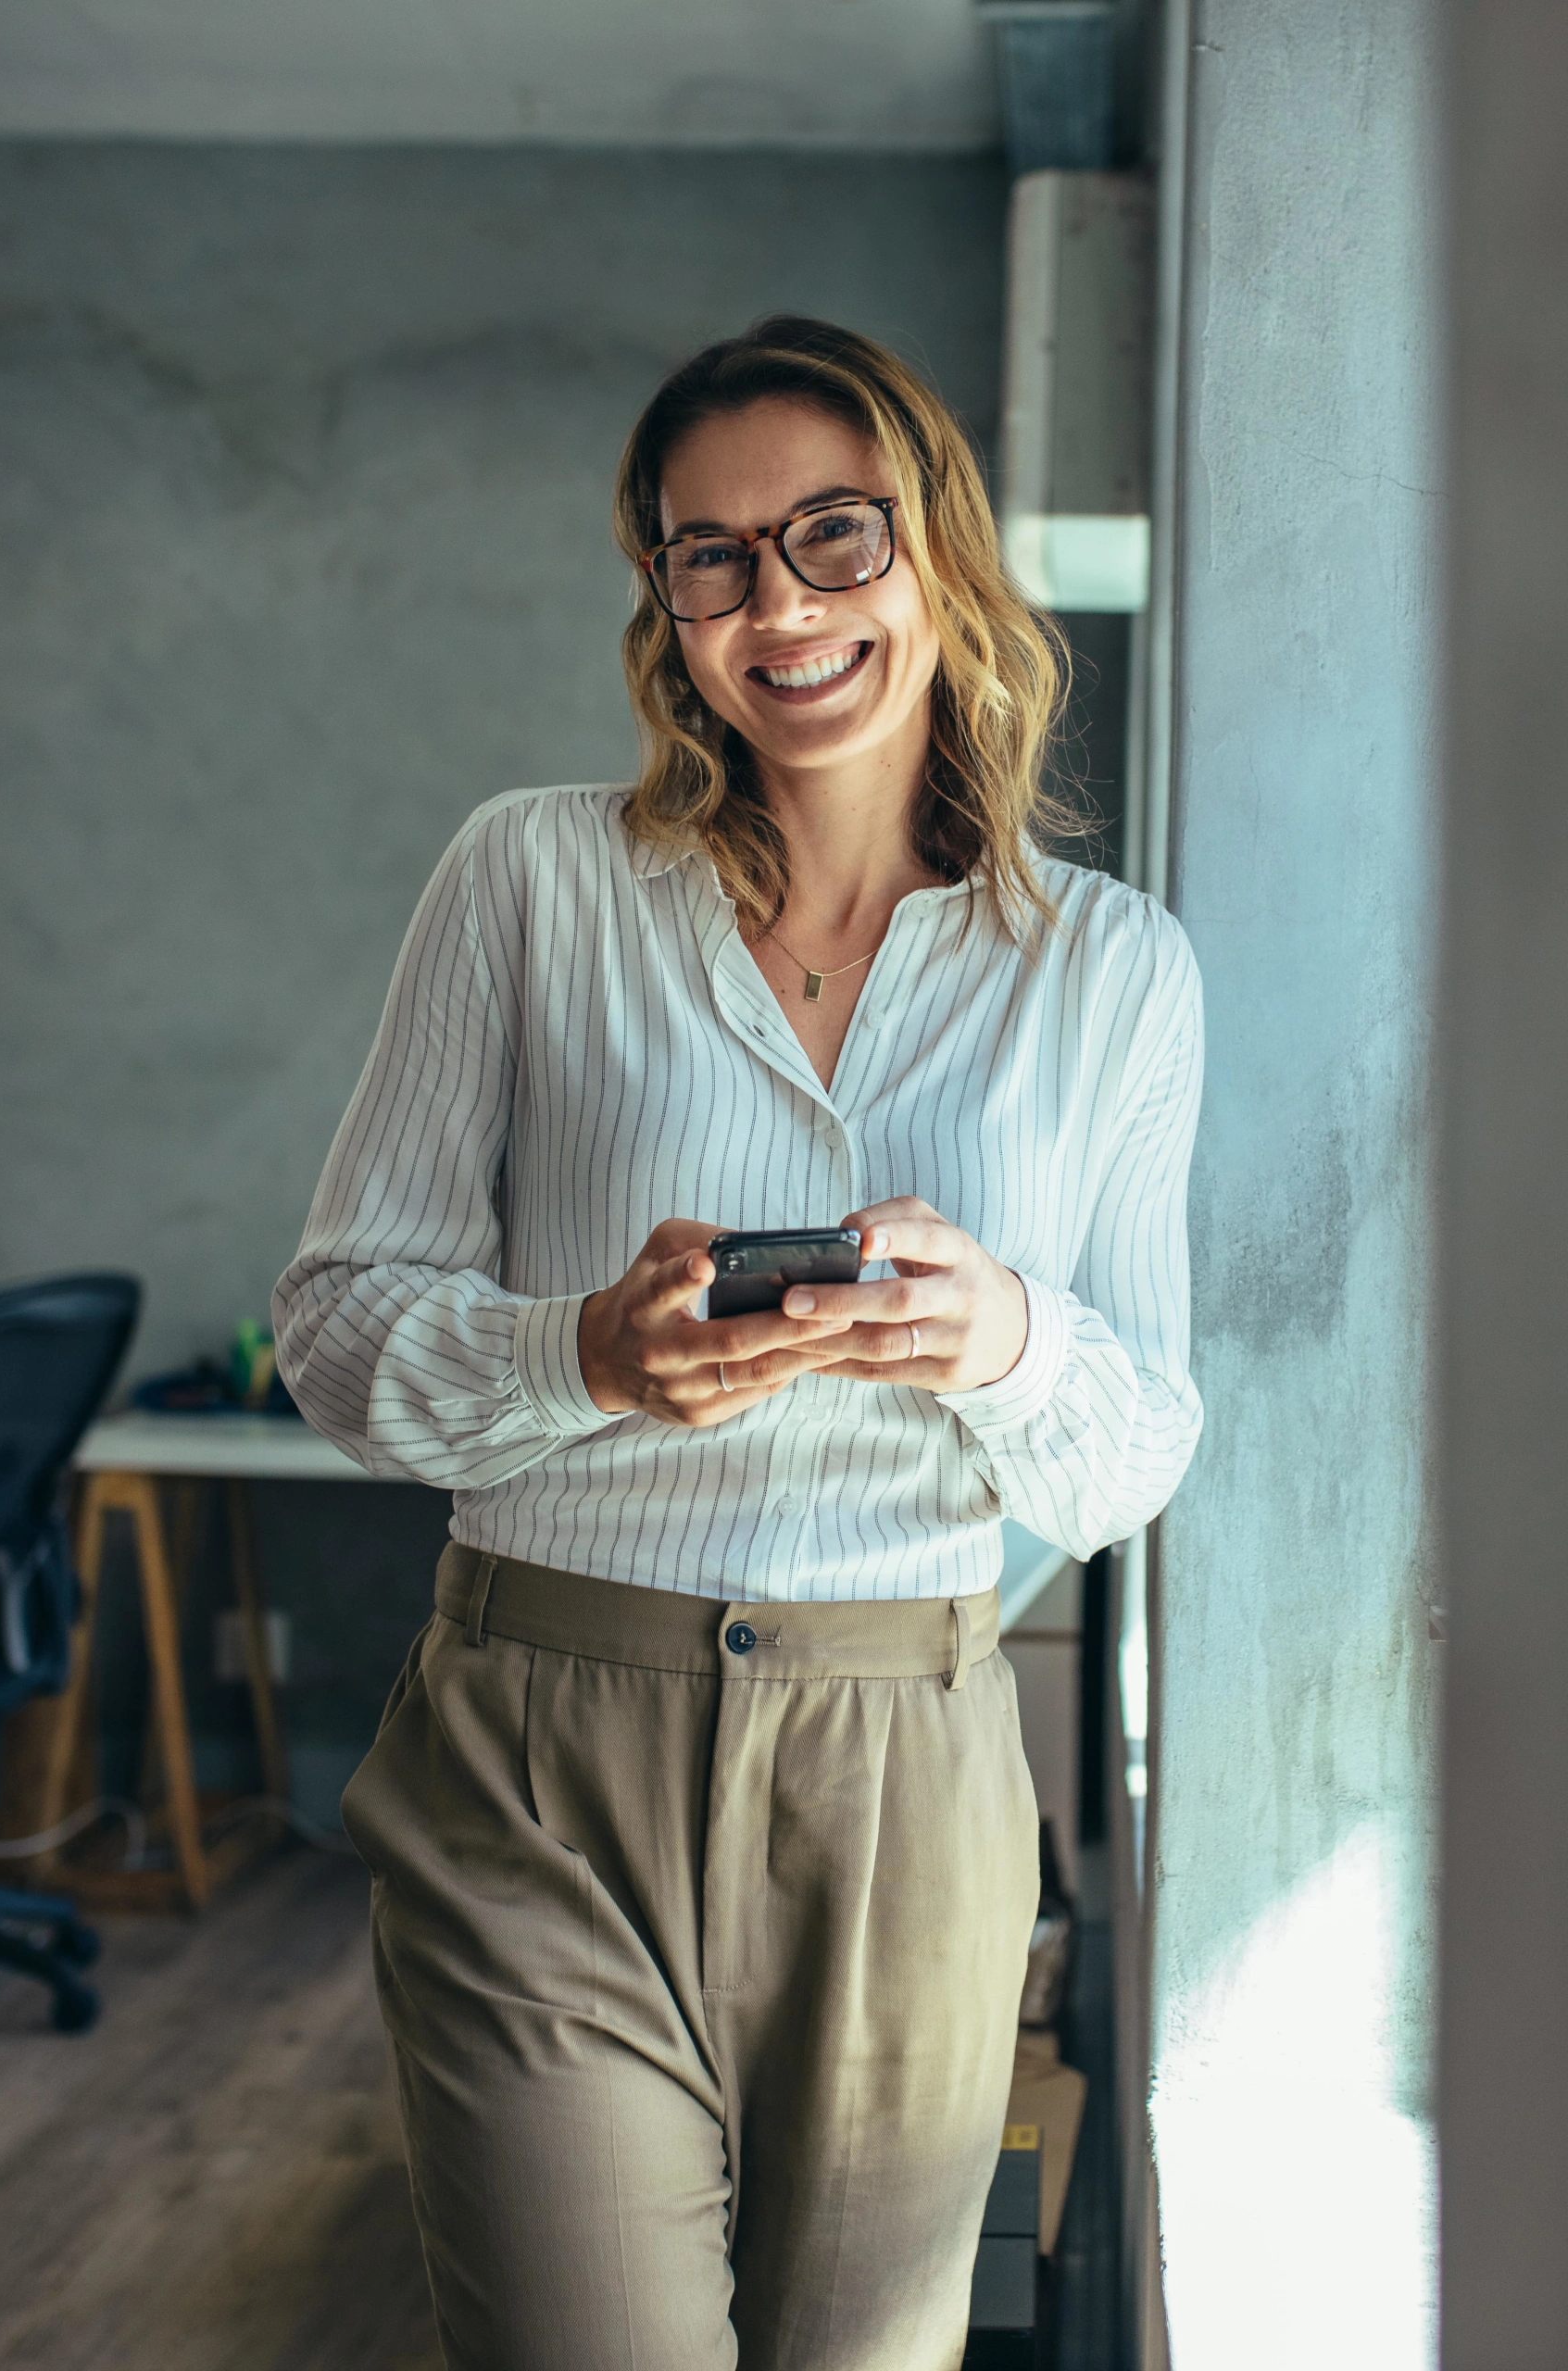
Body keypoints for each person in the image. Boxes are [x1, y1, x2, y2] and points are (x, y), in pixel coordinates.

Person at [273, 314, 1206, 2369]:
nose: (774, 602)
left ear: (939, 555)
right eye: (708, 555)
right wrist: (588, 1357)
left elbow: (1136, 1444)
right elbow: (334, 1331)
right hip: (538, 1755)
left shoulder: (1117, 972)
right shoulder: (528, 878)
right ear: (665, 602)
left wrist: (1006, 1338)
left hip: (909, 1776)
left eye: (829, 534)